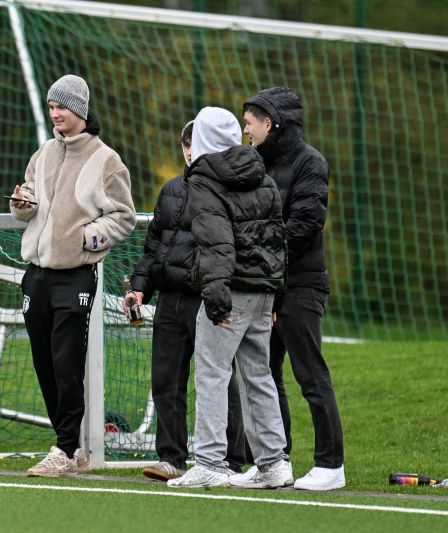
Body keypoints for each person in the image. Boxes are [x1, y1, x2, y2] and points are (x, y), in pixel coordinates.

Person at [10, 74, 136, 478]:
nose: (55, 113)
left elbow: (124, 217)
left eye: (61, 106)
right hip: (36, 274)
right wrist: (22, 204)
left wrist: (84, 239)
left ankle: (64, 450)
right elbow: (29, 202)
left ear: (80, 109)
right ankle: (73, 448)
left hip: (75, 276)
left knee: (67, 365)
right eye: (51, 106)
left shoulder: (107, 160)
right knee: (44, 364)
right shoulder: (43, 152)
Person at [167, 107, 290, 489]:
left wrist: (216, 295)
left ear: (203, 138)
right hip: (263, 291)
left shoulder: (204, 177)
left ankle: (209, 462)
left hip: (231, 288)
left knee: (212, 372)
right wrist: (276, 295)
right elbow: (276, 239)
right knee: (258, 374)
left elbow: (215, 240)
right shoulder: (262, 174)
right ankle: (274, 463)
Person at [127, 121, 247, 481]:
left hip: (206, 301)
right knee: (165, 381)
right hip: (169, 301)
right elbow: (153, 247)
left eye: (197, 143)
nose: (191, 151)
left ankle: (231, 460)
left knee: (220, 379)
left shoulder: (231, 192)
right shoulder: (171, 190)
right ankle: (172, 458)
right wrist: (139, 288)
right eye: (187, 144)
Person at [241, 87, 345, 491]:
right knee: (264, 375)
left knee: (310, 374)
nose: (246, 131)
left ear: (270, 123)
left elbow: (304, 226)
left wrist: (255, 253)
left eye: (250, 123)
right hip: (267, 284)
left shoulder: (310, 162)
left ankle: (331, 466)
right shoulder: (255, 163)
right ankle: (274, 462)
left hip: (300, 284)